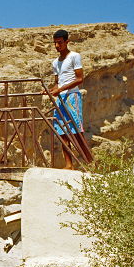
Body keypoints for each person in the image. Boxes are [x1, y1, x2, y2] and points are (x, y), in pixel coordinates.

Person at [48, 29, 93, 169]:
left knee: (77, 131)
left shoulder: (74, 56)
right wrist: (51, 90)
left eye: (60, 43)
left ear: (67, 42)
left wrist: (61, 89)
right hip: (60, 99)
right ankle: (69, 164)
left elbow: (79, 78)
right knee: (62, 131)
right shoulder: (55, 62)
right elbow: (57, 82)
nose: (57, 46)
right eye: (55, 43)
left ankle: (90, 163)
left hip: (72, 96)